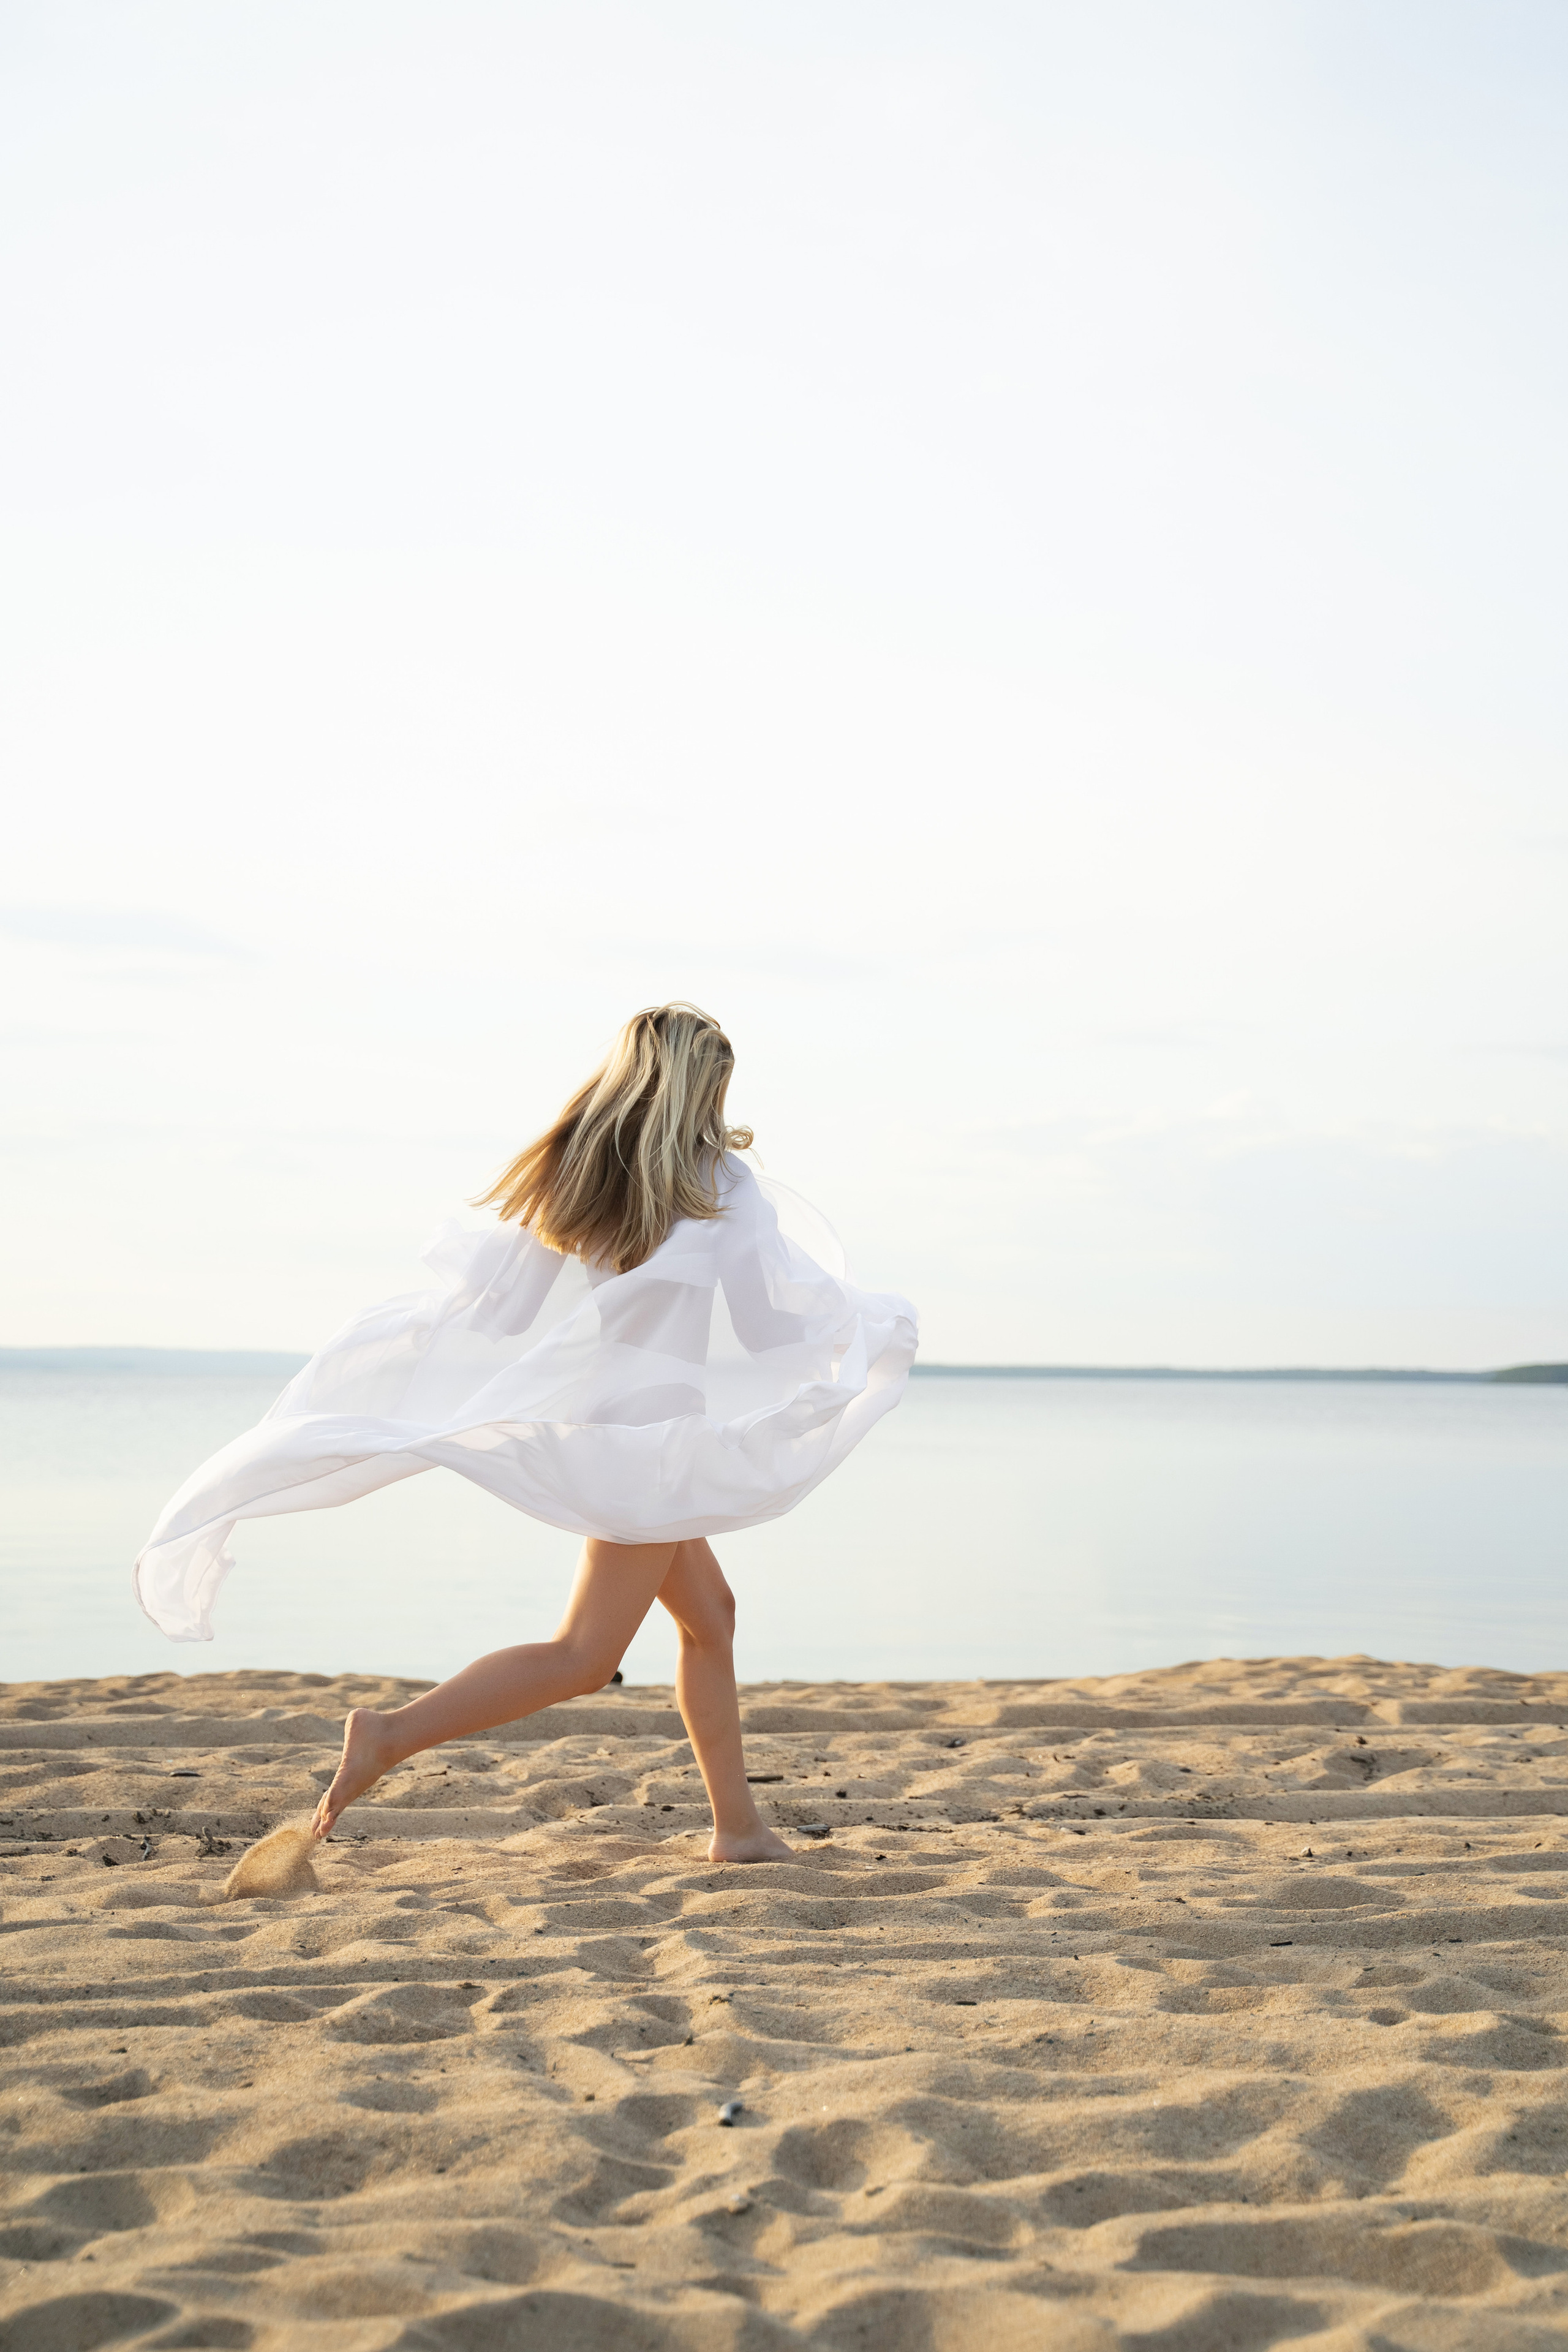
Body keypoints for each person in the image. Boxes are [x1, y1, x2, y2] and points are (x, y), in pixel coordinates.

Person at [134, 1004, 918, 1861]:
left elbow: (503, 1316)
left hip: (606, 1432)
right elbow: (769, 1329)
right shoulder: (717, 1182)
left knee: (712, 1618)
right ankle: (388, 1735)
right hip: (651, 1450)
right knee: (584, 1655)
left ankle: (739, 1830)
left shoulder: (581, 1168)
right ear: (704, 1087)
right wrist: (865, 1318)